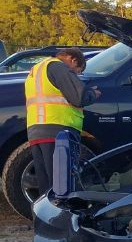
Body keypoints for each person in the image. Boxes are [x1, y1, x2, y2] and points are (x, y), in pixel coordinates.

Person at [25, 48, 101, 196]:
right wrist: (92, 94)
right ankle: (61, 216)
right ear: (73, 60)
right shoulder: (59, 67)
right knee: (61, 183)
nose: (76, 75)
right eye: (77, 71)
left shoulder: (37, 69)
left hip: (36, 131)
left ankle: (46, 215)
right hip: (58, 131)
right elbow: (79, 98)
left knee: (46, 183)